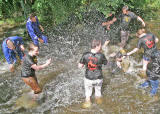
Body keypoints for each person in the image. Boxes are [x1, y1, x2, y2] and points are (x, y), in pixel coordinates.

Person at [78, 39, 108, 108]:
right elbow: (106, 63)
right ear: (96, 46)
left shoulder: (85, 54)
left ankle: (87, 104)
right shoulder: (101, 55)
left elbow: (80, 66)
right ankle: (100, 105)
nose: (101, 47)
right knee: (98, 93)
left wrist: (86, 63)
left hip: (88, 78)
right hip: (99, 78)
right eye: (100, 45)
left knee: (88, 94)